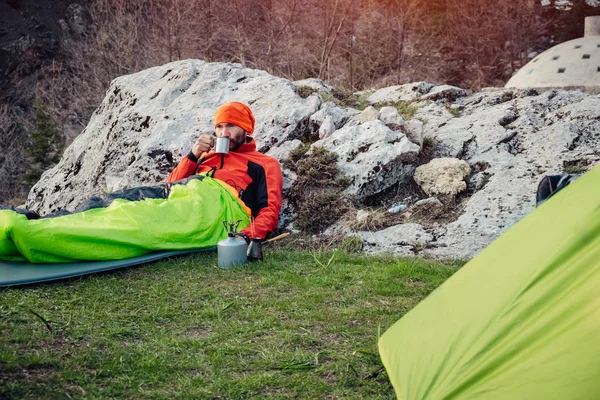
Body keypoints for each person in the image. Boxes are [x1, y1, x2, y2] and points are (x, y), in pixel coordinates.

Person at [168, 102, 283, 241]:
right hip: (185, 206)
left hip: (220, 216)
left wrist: (245, 236)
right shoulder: (204, 156)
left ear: (245, 128)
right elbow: (169, 187)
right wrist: (192, 155)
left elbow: (269, 210)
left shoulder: (265, 164)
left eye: (231, 126)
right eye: (219, 127)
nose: (224, 134)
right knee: (139, 202)